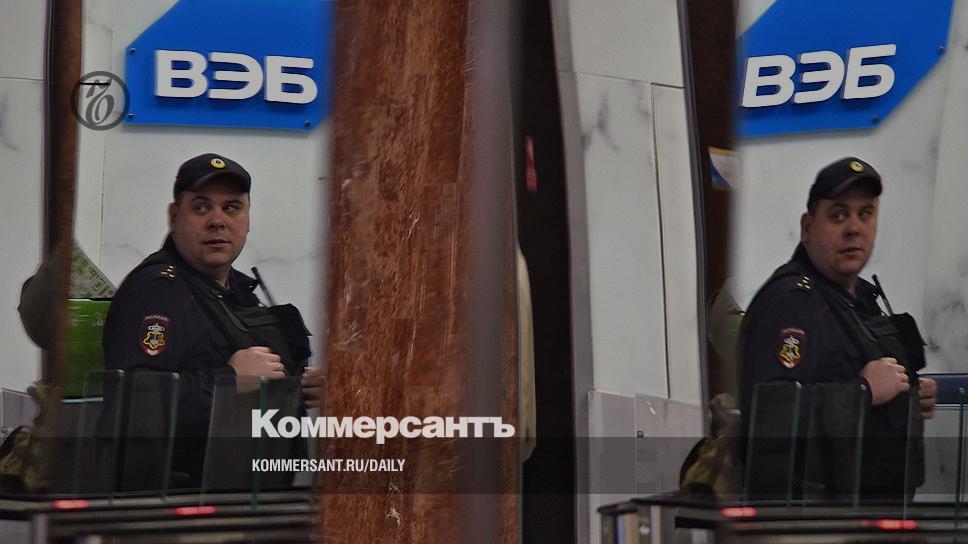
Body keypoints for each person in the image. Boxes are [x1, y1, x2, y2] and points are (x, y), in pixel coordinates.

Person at [103, 153, 321, 485]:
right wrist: (227, 381)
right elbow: (135, 405)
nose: (218, 221)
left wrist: (295, 387)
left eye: (231, 208)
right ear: (174, 216)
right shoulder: (158, 292)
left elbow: (246, 376)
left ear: (248, 218)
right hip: (180, 504)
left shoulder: (235, 290)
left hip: (245, 497)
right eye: (201, 208)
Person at [738, 157, 937, 500]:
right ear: (807, 227)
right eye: (838, 215)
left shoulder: (857, 298)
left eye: (865, 213)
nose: (854, 228)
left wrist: (906, 400)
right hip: (813, 519)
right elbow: (769, 417)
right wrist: (863, 390)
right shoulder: (792, 304)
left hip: (873, 513)